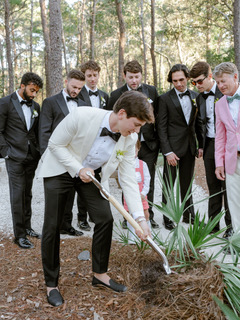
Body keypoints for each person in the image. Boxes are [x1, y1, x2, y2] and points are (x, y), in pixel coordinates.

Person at [37, 90, 153, 307]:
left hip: (91, 175)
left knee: (104, 218)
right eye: (136, 124)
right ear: (121, 113)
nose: (137, 131)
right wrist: (78, 168)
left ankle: (99, 274)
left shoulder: (129, 139)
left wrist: (140, 219)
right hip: (61, 168)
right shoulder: (81, 115)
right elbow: (54, 144)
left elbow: (128, 180)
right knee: (52, 225)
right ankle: (51, 284)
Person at [107, 60, 160, 229]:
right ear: (124, 76)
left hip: (148, 145)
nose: (134, 81)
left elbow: (156, 118)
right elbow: (112, 121)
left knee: (146, 180)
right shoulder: (116, 95)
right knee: (127, 178)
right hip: (126, 144)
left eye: (137, 77)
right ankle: (128, 215)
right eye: (130, 77)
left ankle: (147, 215)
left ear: (141, 76)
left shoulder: (151, 91)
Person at [39, 69, 87, 237]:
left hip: (74, 156)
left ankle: (66, 225)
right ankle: (53, 229)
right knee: (54, 195)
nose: (76, 91)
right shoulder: (50, 102)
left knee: (70, 193)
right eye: (74, 87)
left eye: (80, 88)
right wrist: (46, 156)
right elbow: (44, 131)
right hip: (54, 155)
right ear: (66, 82)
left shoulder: (83, 102)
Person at [0, 72, 43, 249]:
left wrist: (38, 152)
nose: (33, 95)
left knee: (28, 193)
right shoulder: (4, 103)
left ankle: (27, 227)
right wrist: (6, 152)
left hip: (31, 156)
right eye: (32, 90)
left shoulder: (36, 106)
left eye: (36, 92)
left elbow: (35, 131)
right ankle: (19, 235)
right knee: (17, 195)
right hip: (14, 157)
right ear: (23, 85)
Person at [190, 61, 232, 238]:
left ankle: (231, 227)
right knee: (212, 187)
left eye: (199, 81)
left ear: (209, 76)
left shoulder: (223, 92)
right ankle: (214, 225)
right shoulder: (199, 98)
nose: (197, 85)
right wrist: (201, 145)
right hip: (209, 145)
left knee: (228, 187)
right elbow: (200, 124)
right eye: (194, 83)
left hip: (227, 145)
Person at [157, 64, 198, 230]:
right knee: (168, 185)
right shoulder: (164, 99)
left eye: (181, 79)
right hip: (172, 150)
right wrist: (167, 151)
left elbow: (198, 124)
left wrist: (199, 146)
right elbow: (161, 127)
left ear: (187, 78)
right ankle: (167, 218)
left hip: (189, 147)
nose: (179, 83)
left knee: (187, 184)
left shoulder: (196, 96)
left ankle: (189, 216)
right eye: (175, 81)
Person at [77, 60, 109, 231]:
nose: (92, 79)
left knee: (96, 180)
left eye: (95, 75)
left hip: (100, 144)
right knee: (83, 179)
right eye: (89, 76)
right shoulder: (79, 95)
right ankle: (81, 218)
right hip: (84, 143)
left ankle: (94, 214)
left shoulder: (105, 96)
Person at [214, 62, 240, 235]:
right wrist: (219, 163)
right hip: (232, 161)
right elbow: (220, 137)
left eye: (223, 81)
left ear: (235, 77)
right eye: (217, 82)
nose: (220, 86)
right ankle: (238, 240)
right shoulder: (219, 104)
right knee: (234, 202)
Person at [121, 139, 151, 244]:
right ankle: (132, 237)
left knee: (145, 213)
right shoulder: (124, 165)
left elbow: (147, 180)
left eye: (134, 150)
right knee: (131, 216)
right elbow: (122, 180)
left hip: (141, 194)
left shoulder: (143, 164)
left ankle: (148, 233)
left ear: (138, 150)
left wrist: (143, 193)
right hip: (129, 195)